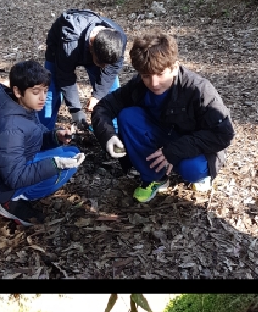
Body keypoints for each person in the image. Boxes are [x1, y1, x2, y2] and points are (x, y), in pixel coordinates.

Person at [90, 32, 234, 203]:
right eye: (146, 76)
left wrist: (174, 151)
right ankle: (154, 178)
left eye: (160, 74)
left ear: (174, 66)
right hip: (162, 133)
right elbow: (103, 107)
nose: (154, 83)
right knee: (127, 116)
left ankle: (201, 175)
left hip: (192, 142)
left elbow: (223, 134)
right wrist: (108, 136)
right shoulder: (139, 85)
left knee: (191, 170)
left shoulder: (199, 89)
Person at [0, 62, 86, 226]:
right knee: (66, 165)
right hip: (1, 186)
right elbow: (15, 177)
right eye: (36, 92)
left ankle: (21, 194)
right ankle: (12, 202)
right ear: (17, 91)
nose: (43, 98)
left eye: (45, 91)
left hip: (15, 166)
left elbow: (35, 138)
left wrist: (55, 137)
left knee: (71, 152)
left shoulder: (24, 109)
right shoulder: (9, 127)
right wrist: (54, 164)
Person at [40, 9, 127, 134]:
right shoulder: (70, 43)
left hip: (92, 48)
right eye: (99, 64)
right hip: (59, 47)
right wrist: (76, 110)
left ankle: (112, 130)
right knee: (50, 92)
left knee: (111, 90)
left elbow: (112, 70)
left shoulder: (118, 39)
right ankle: (44, 134)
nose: (103, 68)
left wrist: (98, 96)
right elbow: (65, 77)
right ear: (91, 48)